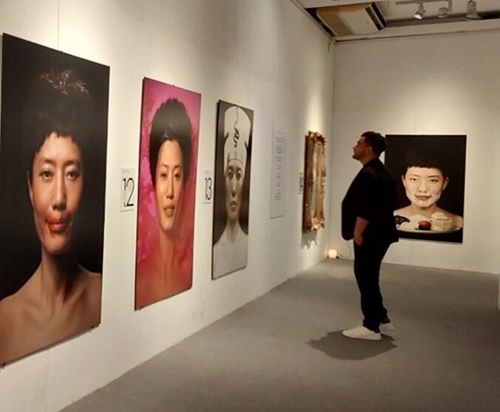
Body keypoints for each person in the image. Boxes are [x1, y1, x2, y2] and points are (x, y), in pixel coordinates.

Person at [0, 69, 102, 364]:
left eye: (71, 174)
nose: (59, 199)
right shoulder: (6, 320)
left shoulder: (103, 295)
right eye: (46, 173)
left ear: (86, 181)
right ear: (30, 187)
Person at [135, 99, 193, 308]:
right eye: (163, 175)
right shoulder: (140, 279)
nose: (169, 192)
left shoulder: (192, 266)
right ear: (153, 180)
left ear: (185, 182)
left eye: (177, 176)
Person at [341, 131, 398, 341]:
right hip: (381, 233)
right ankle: (381, 317)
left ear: (368, 149)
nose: (354, 146)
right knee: (370, 275)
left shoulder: (369, 174)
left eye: (358, 143)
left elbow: (367, 207)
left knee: (365, 276)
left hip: (370, 234)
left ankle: (371, 326)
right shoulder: (381, 172)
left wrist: (358, 232)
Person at [212, 106, 251, 279]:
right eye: (229, 174)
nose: (234, 189)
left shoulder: (246, 242)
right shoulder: (216, 250)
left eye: (239, 175)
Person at [394, 152, 463, 232]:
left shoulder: (458, 223)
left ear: (444, 183)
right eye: (414, 179)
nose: (422, 189)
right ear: (404, 181)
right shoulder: (388, 218)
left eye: (432, 180)